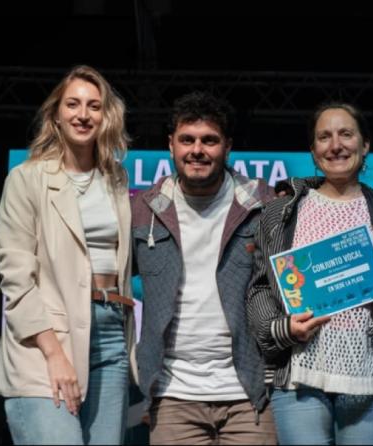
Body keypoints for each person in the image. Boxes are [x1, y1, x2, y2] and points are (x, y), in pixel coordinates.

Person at [246, 102, 373, 445]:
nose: (335, 145)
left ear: (365, 145)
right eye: (324, 137)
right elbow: (259, 286)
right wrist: (283, 329)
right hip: (300, 372)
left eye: (346, 134)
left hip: (369, 373)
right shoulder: (280, 211)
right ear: (312, 150)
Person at [0, 65, 137, 445]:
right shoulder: (26, 179)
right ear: (56, 113)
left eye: (94, 105)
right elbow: (17, 278)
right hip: (46, 339)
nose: (83, 114)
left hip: (111, 332)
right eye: (72, 104)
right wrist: (54, 353)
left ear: (106, 115)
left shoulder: (117, 180)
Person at [131, 91, 277, 445]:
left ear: (227, 146)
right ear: (171, 145)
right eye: (187, 140)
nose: (197, 150)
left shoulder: (265, 204)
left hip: (250, 393)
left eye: (209, 140)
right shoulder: (142, 210)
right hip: (172, 395)